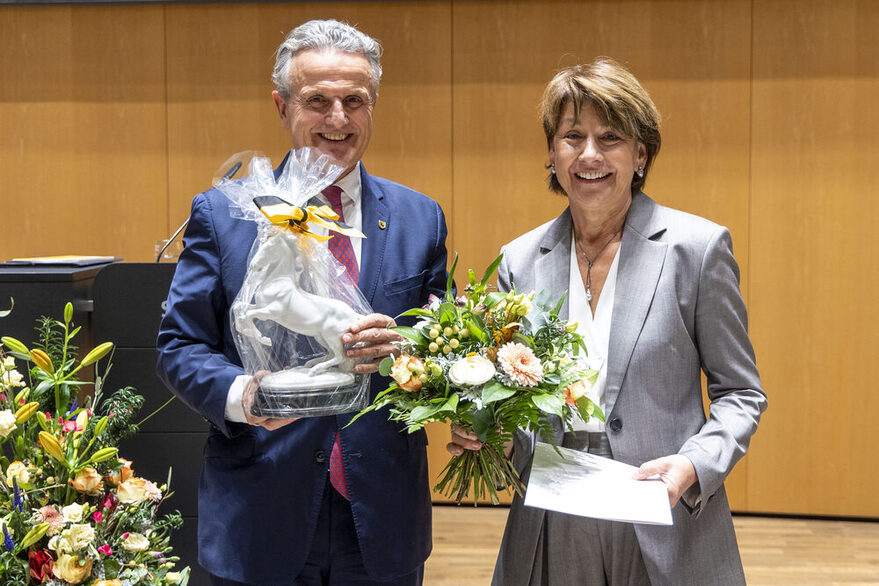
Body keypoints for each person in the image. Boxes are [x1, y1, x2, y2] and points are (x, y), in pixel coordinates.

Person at [448, 57, 766, 585]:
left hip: (662, 506)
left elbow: (741, 394)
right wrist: (491, 435)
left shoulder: (696, 249)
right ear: (552, 153)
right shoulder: (518, 261)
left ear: (640, 154)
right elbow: (511, 407)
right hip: (552, 508)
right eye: (572, 136)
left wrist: (692, 467)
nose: (589, 154)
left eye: (610, 137)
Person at [157, 20, 449, 585]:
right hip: (259, 512)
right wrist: (246, 395)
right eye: (317, 101)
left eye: (354, 101)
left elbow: (444, 340)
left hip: (383, 520)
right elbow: (179, 347)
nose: (337, 119)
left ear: (373, 105)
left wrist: (411, 349)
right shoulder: (225, 213)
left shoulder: (421, 217)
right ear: (281, 105)